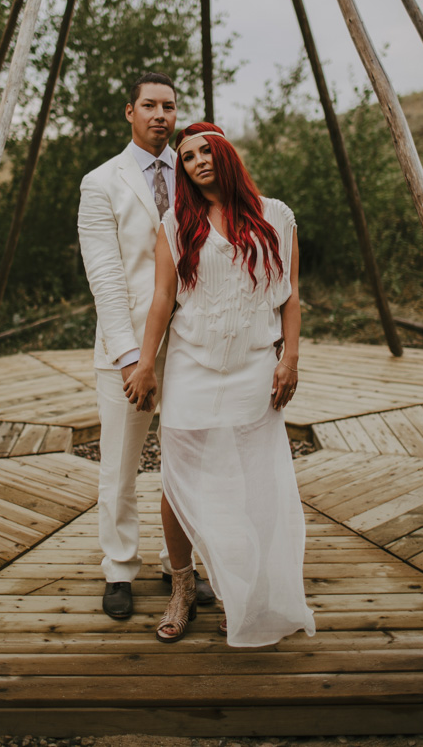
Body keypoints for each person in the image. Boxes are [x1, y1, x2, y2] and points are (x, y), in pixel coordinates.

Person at [124, 121, 316, 648]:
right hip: (191, 364)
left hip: (255, 363)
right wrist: (146, 364)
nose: (198, 161)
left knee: (255, 479)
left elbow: (291, 295)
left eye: (206, 150)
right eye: (187, 157)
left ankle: (244, 590)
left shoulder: (276, 215)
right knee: (177, 475)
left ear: (225, 152)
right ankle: (183, 587)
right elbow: (163, 298)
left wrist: (290, 358)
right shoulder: (176, 223)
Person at [78, 74, 215, 620]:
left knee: (189, 461)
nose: (161, 114)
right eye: (151, 106)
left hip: (194, 344)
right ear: (129, 112)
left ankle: (179, 564)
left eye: (170, 106)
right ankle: (118, 567)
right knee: (120, 463)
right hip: (127, 345)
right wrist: (132, 358)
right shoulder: (100, 182)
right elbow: (106, 276)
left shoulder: (195, 175)